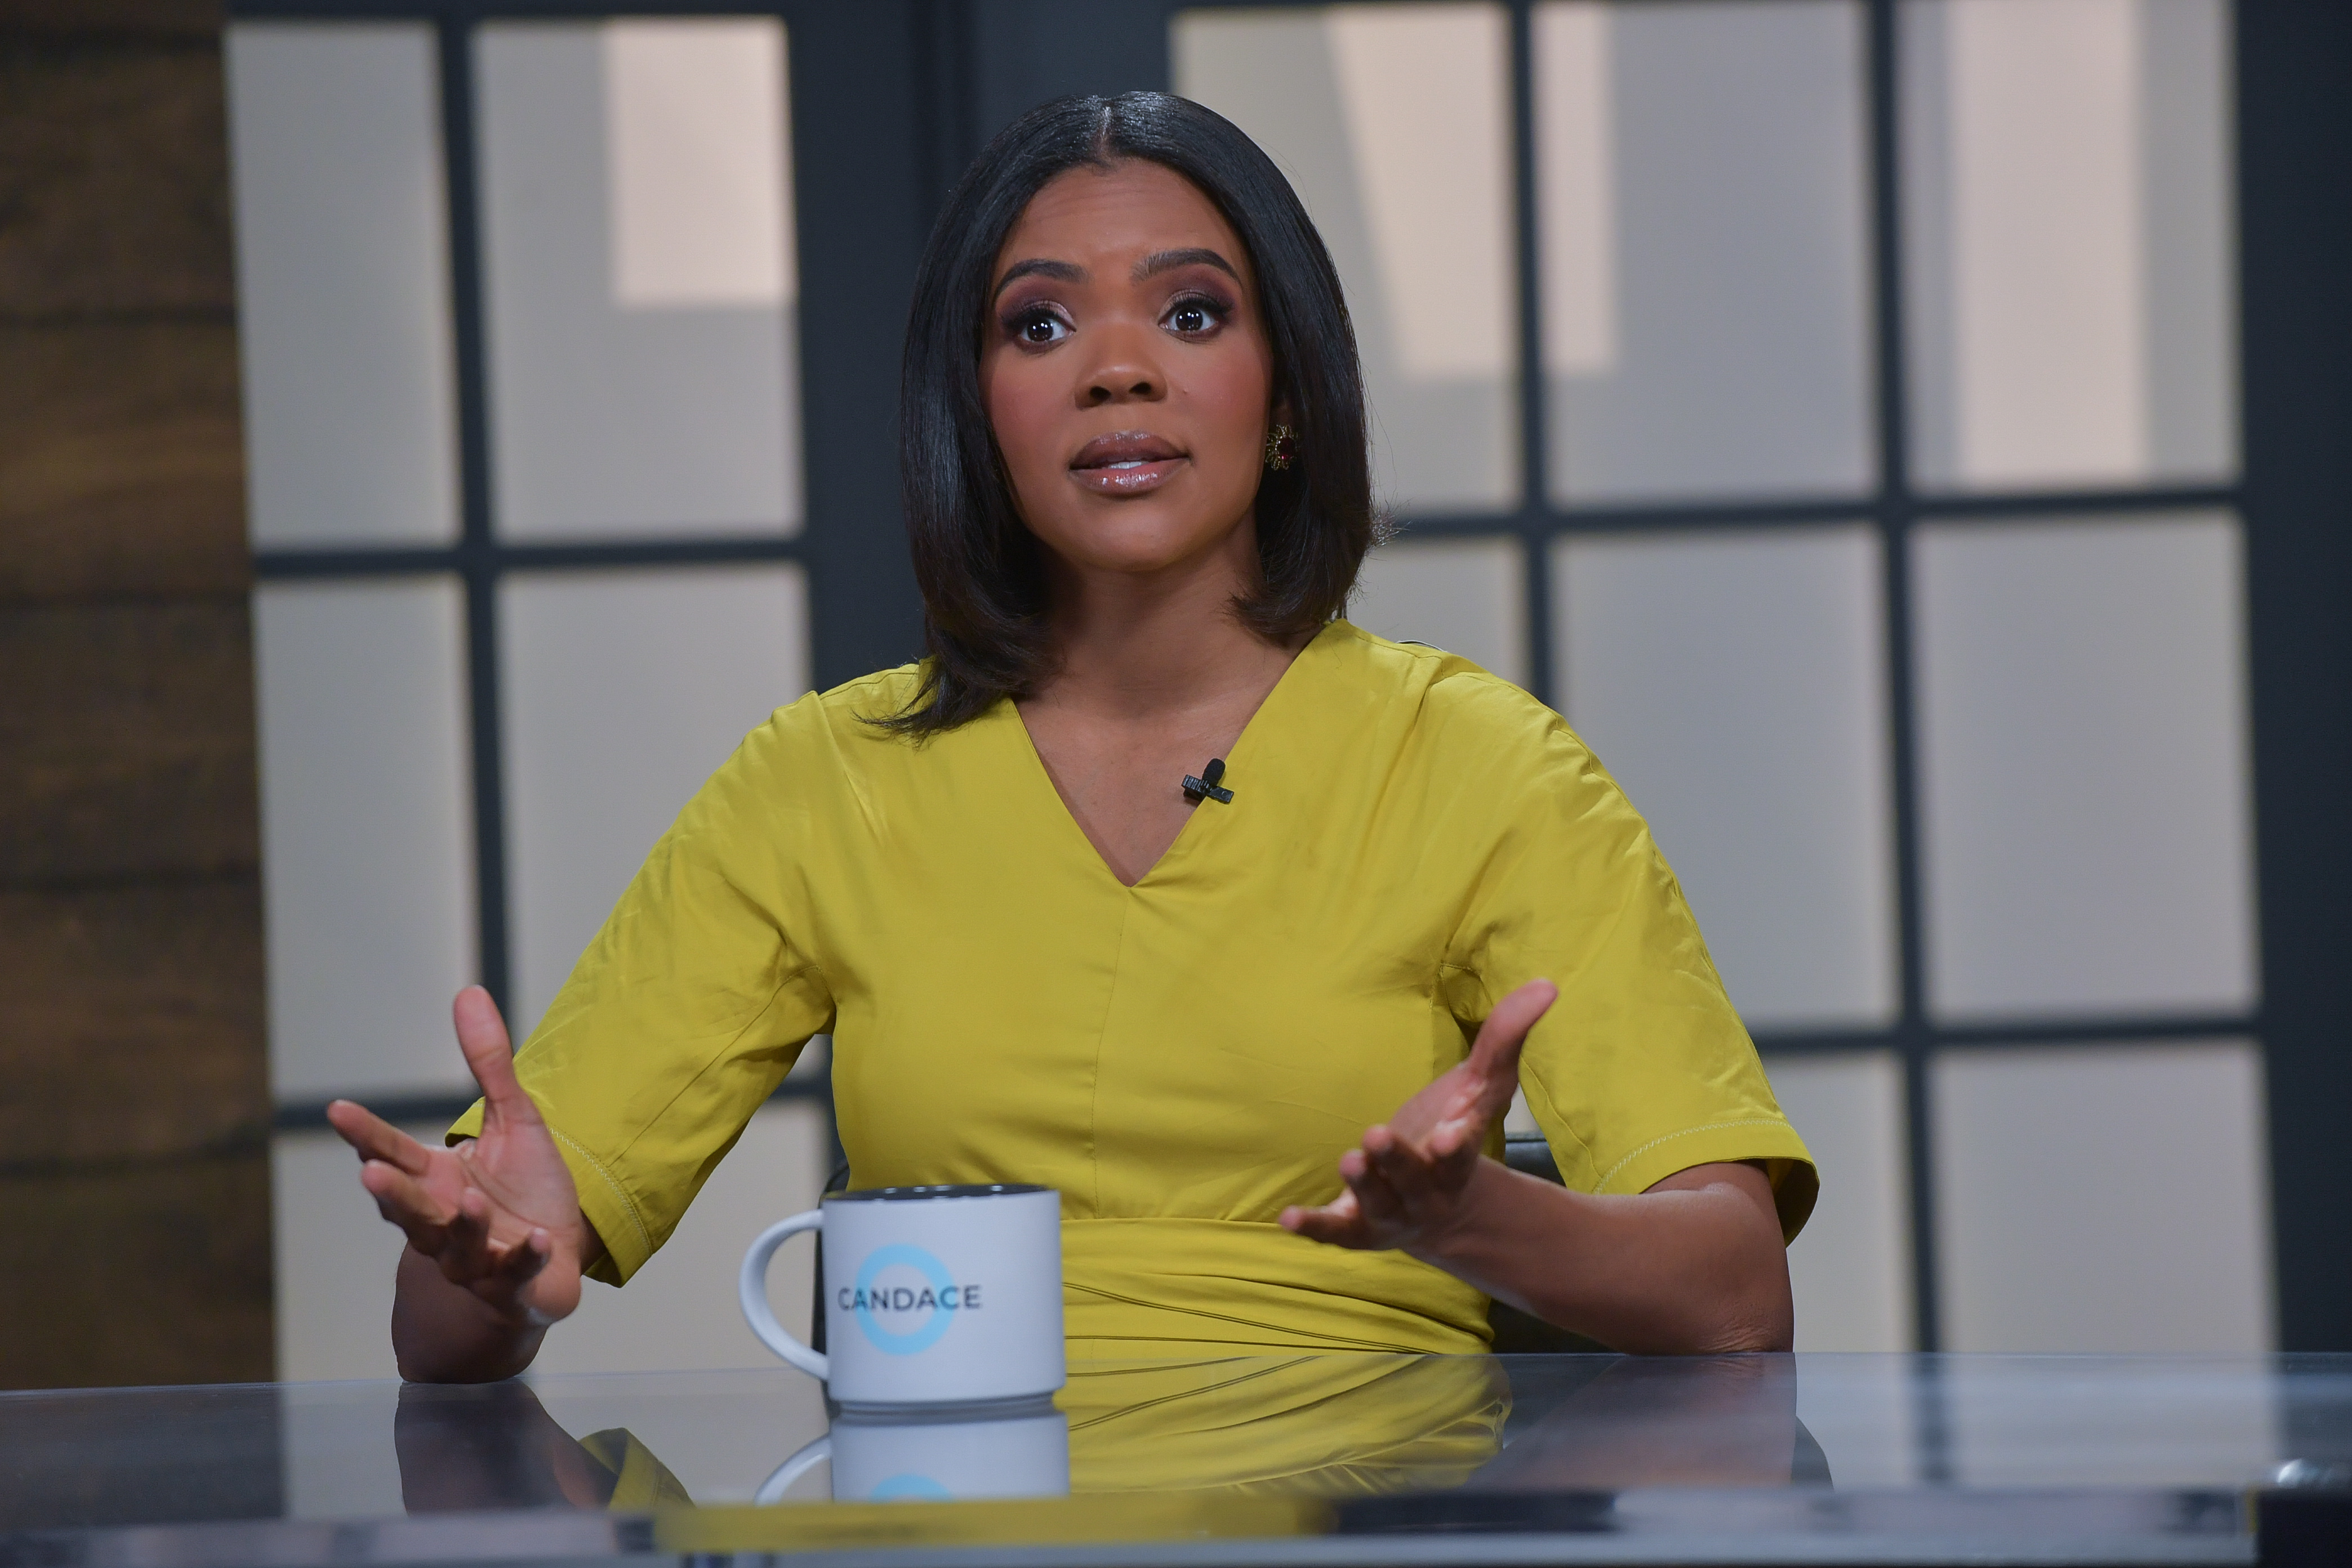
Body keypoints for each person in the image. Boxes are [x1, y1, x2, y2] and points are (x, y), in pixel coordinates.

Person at [327, 92, 1816, 1384]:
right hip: (943, 1506)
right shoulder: (820, 782)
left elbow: (1738, 1294)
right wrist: (488, 1268)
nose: (1118, 368)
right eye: (1041, 323)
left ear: (1286, 393)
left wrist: (1473, 1219)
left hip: (1363, 1505)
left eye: (1190, 312)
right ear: (975, 410)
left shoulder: (1486, 767)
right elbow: (454, 1333)